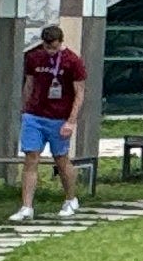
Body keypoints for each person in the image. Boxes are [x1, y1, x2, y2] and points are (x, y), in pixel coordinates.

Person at [9, 22, 87, 223]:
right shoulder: (34, 57)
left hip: (59, 117)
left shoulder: (72, 61)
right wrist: (24, 108)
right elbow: (29, 83)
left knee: (61, 158)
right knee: (31, 157)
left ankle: (70, 198)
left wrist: (71, 121)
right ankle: (27, 206)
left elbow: (79, 93)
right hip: (35, 115)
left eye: (54, 47)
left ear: (61, 42)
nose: (50, 51)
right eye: (47, 47)